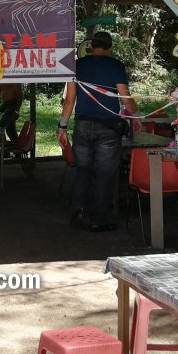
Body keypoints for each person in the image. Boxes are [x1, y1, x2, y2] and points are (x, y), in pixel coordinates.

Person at [58, 31, 139, 233]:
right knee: (104, 174)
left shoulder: (77, 66)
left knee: (83, 171)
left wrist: (62, 126)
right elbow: (125, 99)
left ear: (91, 46)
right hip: (108, 128)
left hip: (82, 126)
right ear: (110, 48)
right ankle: (99, 220)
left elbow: (70, 100)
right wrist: (136, 116)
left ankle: (78, 213)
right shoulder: (116, 66)